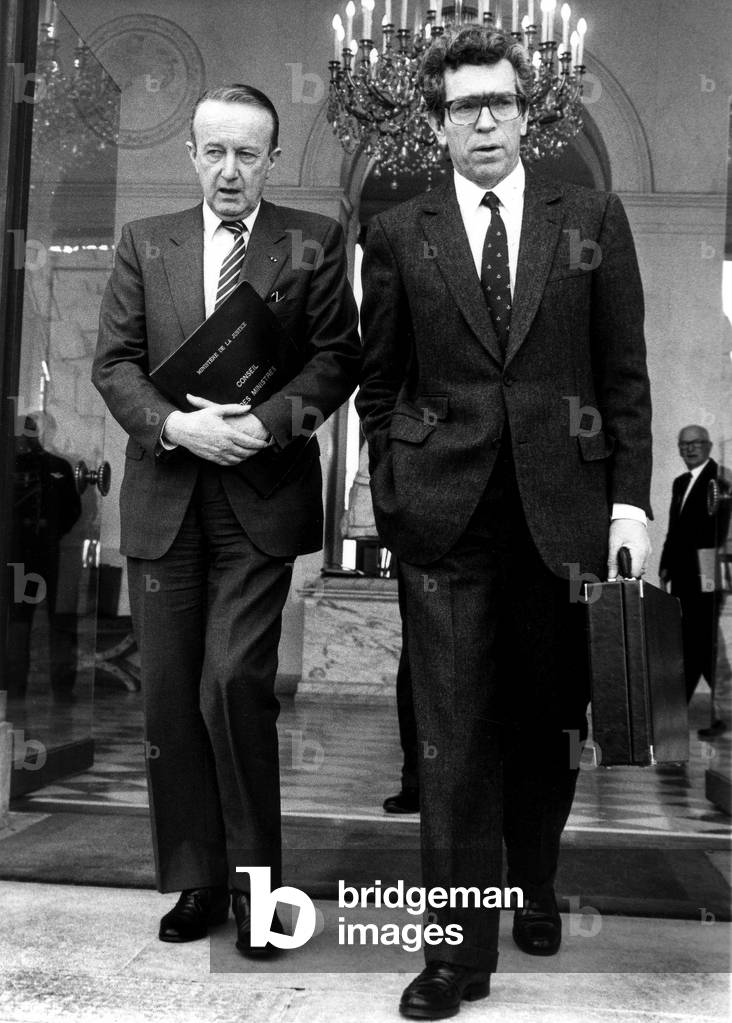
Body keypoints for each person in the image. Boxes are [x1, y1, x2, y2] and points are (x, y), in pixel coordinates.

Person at [356, 26, 652, 1020]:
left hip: (564, 517)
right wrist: (394, 493)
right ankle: (455, 955)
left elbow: (622, 375)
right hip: (444, 522)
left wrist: (629, 504)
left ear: (527, 113)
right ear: (436, 123)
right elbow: (379, 382)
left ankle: (534, 878)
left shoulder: (592, 217)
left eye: (500, 102)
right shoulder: (398, 232)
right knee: (451, 738)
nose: (483, 121)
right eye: (463, 107)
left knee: (547, 724)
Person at [92, 85, 360, 954]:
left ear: (272, 160)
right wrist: (178, 427)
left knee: (232, 681)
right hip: (166, 495)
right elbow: (115, 363)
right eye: (215, 151)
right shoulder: (145, 242)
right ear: (192, 155)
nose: (230, 170)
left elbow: (337, 359)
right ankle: (198, 880)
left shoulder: (314, 240)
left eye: (248, 153)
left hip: (260, 497)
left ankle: (257, 889)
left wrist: (264, 423)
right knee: (171, 698)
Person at [659, 425, 731, 737]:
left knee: (701, 645)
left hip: (706, 574)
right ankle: (677, 714)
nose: (689, 449)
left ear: (709, 446)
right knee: (694, 643)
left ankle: (688, 714)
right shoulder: (680, 483)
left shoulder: (722, 480)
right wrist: (665, 567)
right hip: (682, 577)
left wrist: (710, 576)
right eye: (683, 445)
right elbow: (674, 531)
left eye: (695, 443)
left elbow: (721, 532)